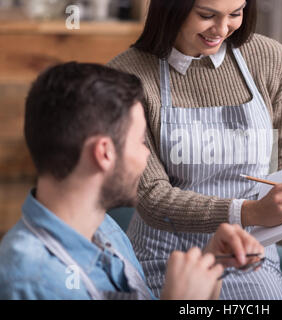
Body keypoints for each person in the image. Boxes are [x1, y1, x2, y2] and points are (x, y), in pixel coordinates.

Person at [0, 62, 264, 300]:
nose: (147, 155)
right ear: (104, 153)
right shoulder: (32, 281)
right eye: (140, 142)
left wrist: (209, 269)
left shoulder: (105, 229)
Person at [108, 0, 282, 299]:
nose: (222, 28)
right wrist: (249, 212)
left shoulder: (269, 58)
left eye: (235, 13)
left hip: (248, 252)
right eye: (206, 15)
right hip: (165, 256)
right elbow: (150, 196)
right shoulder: (126, 75)